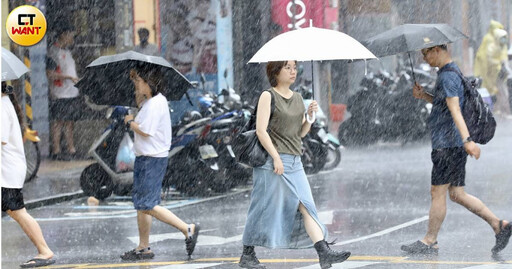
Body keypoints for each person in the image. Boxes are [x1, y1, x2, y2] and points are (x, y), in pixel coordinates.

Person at [239, 61, 351, 269]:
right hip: (271, 163)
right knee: (261, 207)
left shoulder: (298, 98)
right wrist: (276, 157)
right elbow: (261, 131)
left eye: (294, 67)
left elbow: (300, 133)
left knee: (306, 206)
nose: (293, 71)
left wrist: (309, 117)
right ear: (275, 72)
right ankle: (247, 253)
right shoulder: (268, 96)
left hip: (294, 161)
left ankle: (323, 251)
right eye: (288, 67)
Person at [401, 44, 511, 255]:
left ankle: (430, 241)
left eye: (426, 53)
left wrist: (467, 140)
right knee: (457, 194)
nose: (424, 59)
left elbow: (455, 108)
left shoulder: (447, 76)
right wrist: (424, 95)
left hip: (447, 145)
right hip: (452, 144)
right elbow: (445, 103)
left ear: (437, 50)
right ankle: (499, 225)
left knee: (438, 192)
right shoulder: (450, 72)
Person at [121, 65, 200, 260]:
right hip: (145, 158)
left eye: (138, 81)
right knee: (142, 204)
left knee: (147, 204)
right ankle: (143, 247)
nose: (136, 85)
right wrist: (138, 102)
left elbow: (145, 130)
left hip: (152, 159)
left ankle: (186, 228)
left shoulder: (156, 102)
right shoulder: (150, 102)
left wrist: (129, 121)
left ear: (149, 83)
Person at [2, 82, 56, 268]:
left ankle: (44, 250)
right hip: (8, 170)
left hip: (7, 172)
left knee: (17, 211)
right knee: (16, 211)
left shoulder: (1, 106)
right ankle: (44, 249)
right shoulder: (5, 103)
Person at [46, 24, 80, 160]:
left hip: (71, 92)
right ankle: (56, 151)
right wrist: (68, 77)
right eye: (71, 35)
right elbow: (50, 74)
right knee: (58, 122)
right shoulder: (53, 52)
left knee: (69, 122)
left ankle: (71, 149)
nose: (72, 38)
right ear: (63, 35)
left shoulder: (67, 52)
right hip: (60, 93)